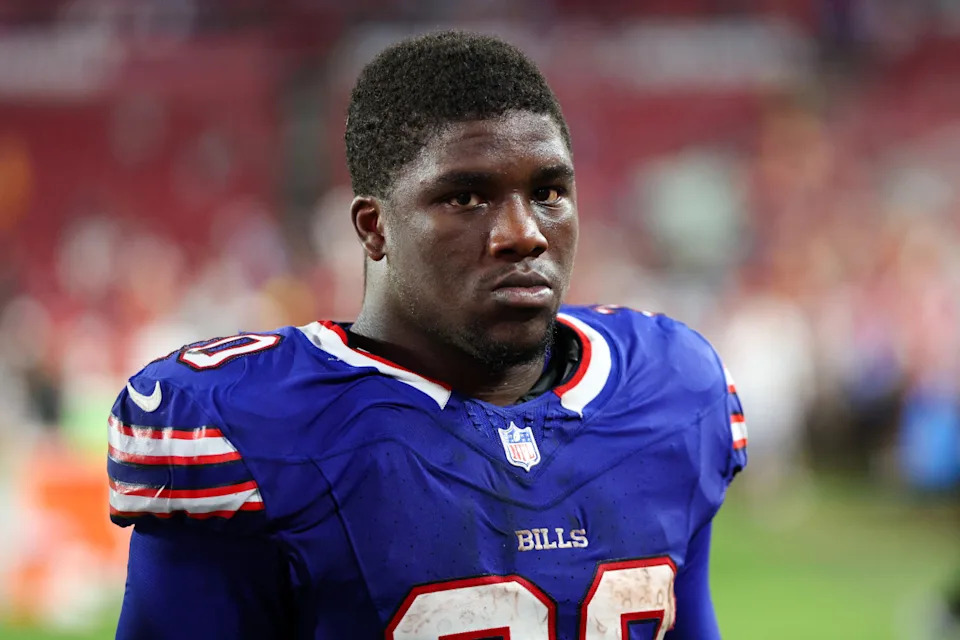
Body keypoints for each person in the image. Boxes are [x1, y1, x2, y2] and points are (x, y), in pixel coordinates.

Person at [108, 31, 747, 639]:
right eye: (466, 198)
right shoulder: (256, 421)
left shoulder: (669, 388)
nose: (524, 233)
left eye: (549, 192)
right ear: (374, 227)